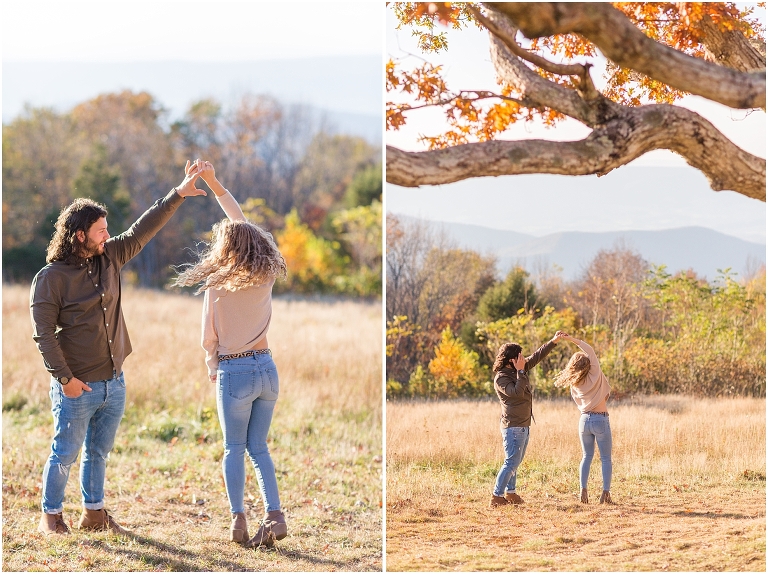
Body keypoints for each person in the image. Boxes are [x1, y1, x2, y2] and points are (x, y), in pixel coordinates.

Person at [30, 162, 207, 536]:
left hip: (115, 382)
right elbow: (43, 334)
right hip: (77, 386)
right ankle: (51, 517)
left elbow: (143, 228)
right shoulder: (51, 279)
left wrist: (179, 192)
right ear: (79, 236)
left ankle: (94, 515)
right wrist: (66, 380)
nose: (108, 235)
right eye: (100, 231)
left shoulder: (110, 256)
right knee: (65, 453)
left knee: (98, 453)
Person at [173, 160, 288, 549]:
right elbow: (242, 224)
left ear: (227, 248)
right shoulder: (266, 273)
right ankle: (275, 515)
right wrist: (216, 184)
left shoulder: (217, 283)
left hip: (235, 373)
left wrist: (211, 365)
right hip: (267, 370)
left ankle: (238, 519)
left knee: (233, 449)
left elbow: (209, 336)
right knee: (260, 448)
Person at [490, 332, 565, 507]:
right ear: (511, 360)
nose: (523, 358)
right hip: (513, 426)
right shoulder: (501, 378)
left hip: (523, 424)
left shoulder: (517, 369)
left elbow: (537, 356)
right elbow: (516, 393)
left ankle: (511, 493)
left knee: (515, 461)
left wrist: (553, 341)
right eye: (519, 357)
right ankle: (496, 496)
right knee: (511, 462)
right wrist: (521, 371)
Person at [553, 332, 613, 504]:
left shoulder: (575, 383)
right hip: (600, 419)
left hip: (584, 420)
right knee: (606, 458)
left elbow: (578, 401)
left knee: (586, 456)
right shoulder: (595, 373)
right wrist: (571, 339)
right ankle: (605, 494)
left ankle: (583, 491)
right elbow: (589, 349)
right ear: (589, 364)